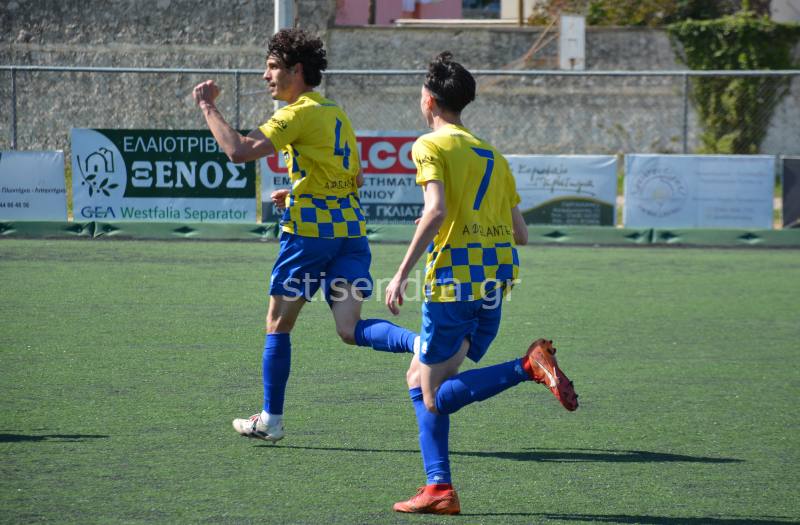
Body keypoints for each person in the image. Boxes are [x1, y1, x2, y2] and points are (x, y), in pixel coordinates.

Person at [192, 28, 418, 444]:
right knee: (349, 328)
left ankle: (271, 419)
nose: (266, 76)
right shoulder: (335, 112)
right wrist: (298, 190)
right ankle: (419, 344)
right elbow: (354, 178)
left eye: (272, 67)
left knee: (278, 325)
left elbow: (239, 150)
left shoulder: (296, 114)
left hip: (309, 238)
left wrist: (207, 106)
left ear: (296, 70)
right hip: (350, 233)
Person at [384, 52, 579, 515]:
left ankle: (527, 367)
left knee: (432, 396)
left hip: (453, 283)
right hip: (494, 283)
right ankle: (439, 489)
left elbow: (436, 211)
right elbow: (520, 234)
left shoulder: (429, 145)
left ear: (429, 99)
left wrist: (401, 273)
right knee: (419, 376)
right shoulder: (493, 154)